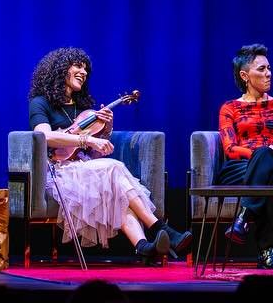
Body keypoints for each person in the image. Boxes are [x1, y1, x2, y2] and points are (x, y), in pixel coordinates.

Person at [27, 47, 191, 262]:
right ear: (59, 70)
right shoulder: (40, 102)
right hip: (59, 172)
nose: (83, 72)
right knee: (114, 168)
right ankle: (163, 229)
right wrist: (87, 139)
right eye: (77, 66)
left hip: (84, 167)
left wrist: (106, 129)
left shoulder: (84, 107)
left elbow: (93, 153)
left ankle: (143, 246)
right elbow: (45, 137)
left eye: (86, 69)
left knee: (118, 190)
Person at [216, 43, 273, 269]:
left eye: (269, 68)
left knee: (271, 169)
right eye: (261, 69)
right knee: (268, 173)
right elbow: (230, 149)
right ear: (245, 75)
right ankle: (267, 251)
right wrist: (264, 153)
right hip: (239, 169)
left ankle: (243, 217)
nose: (268, 73)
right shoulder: (229, 108)